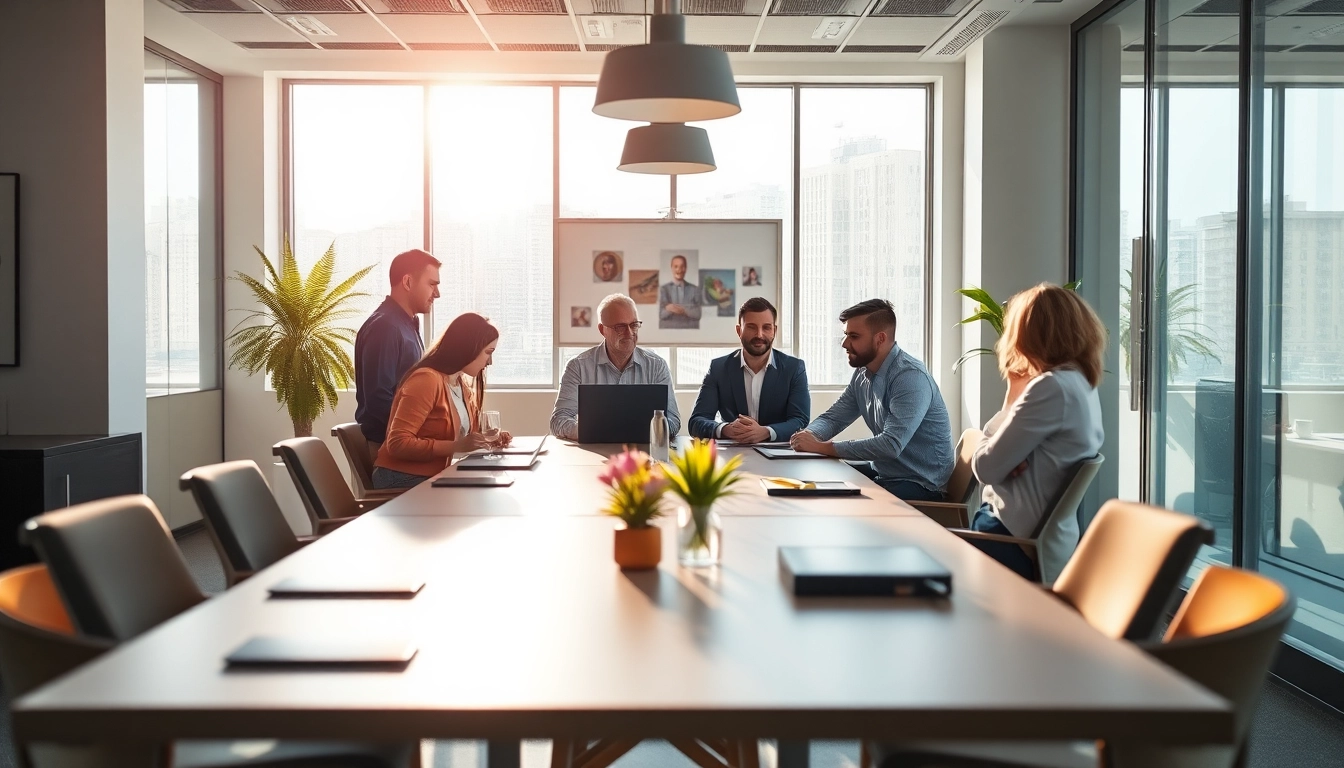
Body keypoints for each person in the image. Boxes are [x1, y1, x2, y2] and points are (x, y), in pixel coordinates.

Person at [966, 283, 1105, 579]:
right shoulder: (1081, 383)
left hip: (1007, 537)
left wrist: (1009, 399)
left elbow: (985, 468)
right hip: (1042, 538)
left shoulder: (1050, 387)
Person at [790, 298, 953, 502]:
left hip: (921, 485)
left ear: (880, 339)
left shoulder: (910, 377)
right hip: (885, 473)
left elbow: (890, 445)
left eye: (854, 336)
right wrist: (808, 436)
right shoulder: (862, 373)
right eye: (845, 335)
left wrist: (823, 447)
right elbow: (834, 418)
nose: (844, 344)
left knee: (837, 501)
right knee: (814, 480)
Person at [372, 313, 511, 489]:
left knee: (489, 488)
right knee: (480, 493)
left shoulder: (459, 384)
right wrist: (456, 446)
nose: (490, 362)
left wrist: (490, 438)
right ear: (469, 348)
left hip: (433, 475)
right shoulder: (427, 380)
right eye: (488, 353)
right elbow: (397, 443)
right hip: (401, 478)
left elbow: (466, 436)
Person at [550, 293, 680, 440]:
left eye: (634, 325)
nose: (629, 333)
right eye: (620, 327)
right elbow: (558, 420)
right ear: (602, 330)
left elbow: (674, 422)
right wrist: (593, 432)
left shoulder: (657, 366)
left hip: (643, 455)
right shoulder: (578, 367)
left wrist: (634, 431)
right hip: (593, 453)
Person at [354, 248, 442, 460]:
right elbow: (378, 398)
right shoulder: (385, 327)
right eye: (432, 284)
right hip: (390, 450)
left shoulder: (407, 324)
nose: (437, 294)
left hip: (404, 444)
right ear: (408, 282)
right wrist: (422, 432)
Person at [688, 297, 810, 444]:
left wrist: (766, 432)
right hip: (733, 455)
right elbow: (697, 421)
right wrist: (726, 429)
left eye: (766, 327)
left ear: (774, 331)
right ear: (739, 331)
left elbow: (800, 420)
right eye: (752, 327)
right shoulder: (718, 368)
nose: (759, 335)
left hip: (778, 455)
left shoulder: (794, 368)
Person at [658, 254, 702, 330]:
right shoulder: (663, 289)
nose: (679, 270)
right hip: (668, 331)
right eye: (676, 266)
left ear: (686, 268)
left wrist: (681, 310)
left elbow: (698, 314)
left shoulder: (695, 289)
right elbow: (661, 315)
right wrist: (689, 309)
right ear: (671, 268)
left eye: (682, 266)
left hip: (690, 331)